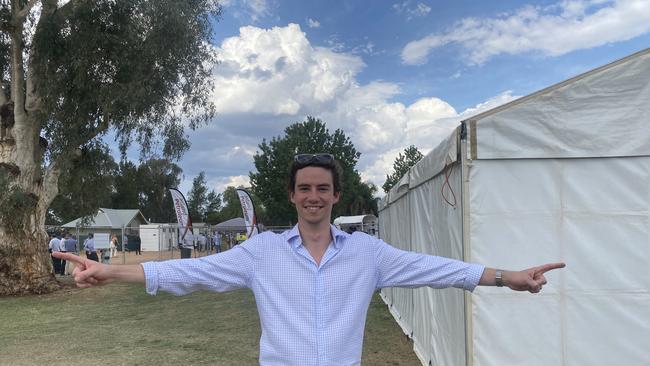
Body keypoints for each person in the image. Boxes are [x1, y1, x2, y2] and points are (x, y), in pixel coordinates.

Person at [55, 153, 565, 366]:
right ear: (293, 196)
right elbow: (186, 272)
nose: (314, 195)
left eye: (323, 188)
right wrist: (109, 269)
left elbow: (438, 268)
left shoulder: (369, 253)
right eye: (305, 188)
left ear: (336, 196)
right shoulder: (260, 253)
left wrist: (508, 277)